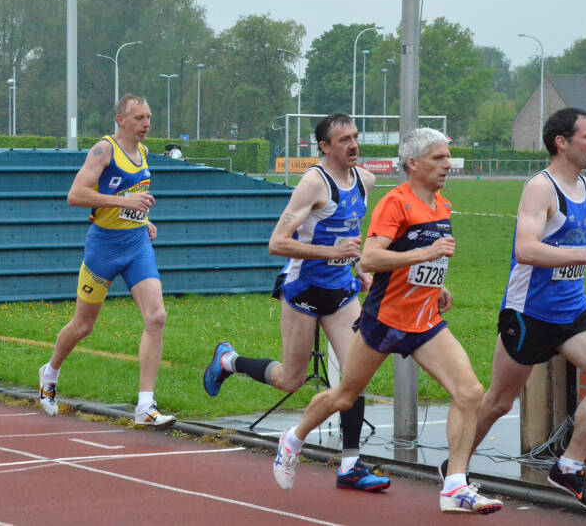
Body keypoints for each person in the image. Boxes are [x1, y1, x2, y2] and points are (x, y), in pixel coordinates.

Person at [271, 127, 504, 515]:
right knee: (344, 395)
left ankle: (455, 487)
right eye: (439, 158)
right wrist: (425, 253)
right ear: (413, 164)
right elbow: (371, 259)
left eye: (448, 157)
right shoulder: (395, 203)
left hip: (425, 320)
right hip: (385, 319)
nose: (448, 165)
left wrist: (437, 284)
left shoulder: (441, 205)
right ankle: (293, 439)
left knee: (469, 392)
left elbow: (426, 261)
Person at [203, 113, 390, 492]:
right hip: (303, 289)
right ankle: (228, 360)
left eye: (355, 137)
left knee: (355, 374)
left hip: (340, 291)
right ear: (324, 147)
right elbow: (277, 243)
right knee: (291, 379)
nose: (354, 145)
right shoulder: (311, 184)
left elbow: (348, 235)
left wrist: (359, 266)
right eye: (344, 141)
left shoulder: (366, 181)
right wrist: (329, 251)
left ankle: (351, 464)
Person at [462, 108, 586, 514]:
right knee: (498, 401)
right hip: (528, 314)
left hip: (572, 311)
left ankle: (568, 466)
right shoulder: (540, 188)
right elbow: (525, 249)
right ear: (561, 143)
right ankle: (455, 472)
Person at [38, 94, 174, 427]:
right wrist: (122, 200)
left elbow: (132, 202)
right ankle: (50, 371)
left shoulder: (141, 152)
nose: (146, 124)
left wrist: (143, 219)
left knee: (156, 317)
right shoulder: (103, 150)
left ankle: (145, 405)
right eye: (140, 118)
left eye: (149, 117)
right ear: (120, 119)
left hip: (137, 245)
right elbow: (75, 195)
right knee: (83, 325)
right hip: (103, 248)